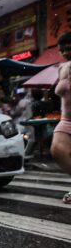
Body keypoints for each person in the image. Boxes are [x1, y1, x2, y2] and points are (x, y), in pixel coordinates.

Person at [52, 32, 71, 204]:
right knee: (57, 150)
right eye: (62, 51)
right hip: (66, 120)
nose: (64, 53)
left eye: (68, 49)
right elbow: (59, 92)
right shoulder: (62, 67)